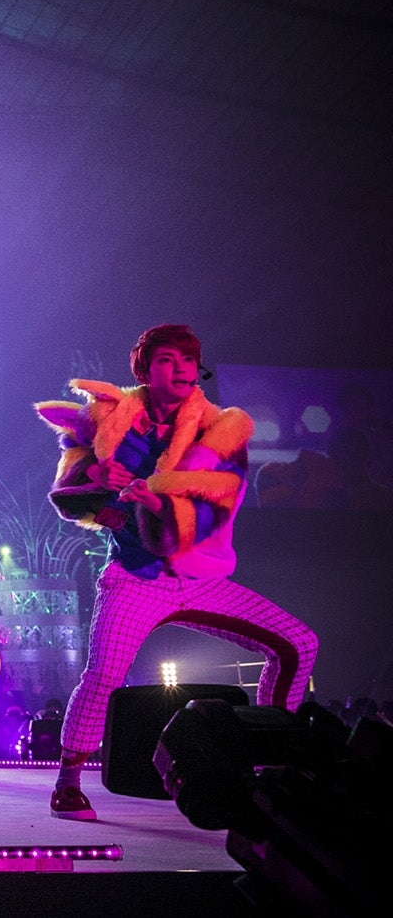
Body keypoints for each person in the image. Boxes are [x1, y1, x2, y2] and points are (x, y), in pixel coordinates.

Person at [36, 323, 319, 820]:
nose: (182, 369)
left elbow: (219, 504)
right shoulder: (108, 419)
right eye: (168, 360)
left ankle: (271, 768)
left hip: (199, 575)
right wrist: (96, 477)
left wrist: (160, 508)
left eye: (189, 359)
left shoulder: (221, 431)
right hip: (134, 579)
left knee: (299, 644)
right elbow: (65, 498)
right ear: (145, 370)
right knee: (104, 674)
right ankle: (68, 779)